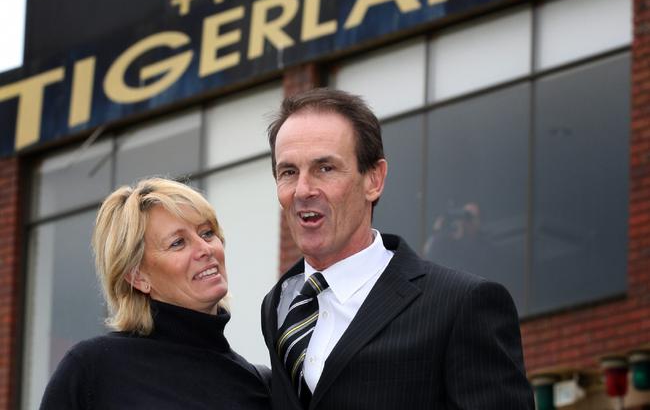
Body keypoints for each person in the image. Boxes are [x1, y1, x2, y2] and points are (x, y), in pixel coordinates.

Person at [261, 89, 534, 409]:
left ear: (374, 180)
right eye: (289, 172)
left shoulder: (462, 305)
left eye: (325, 168)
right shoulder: (278, 305)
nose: (303, 190)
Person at [40, 177, 271, 409]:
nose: (205, 249)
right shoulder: (92, 370)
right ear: (138, 277)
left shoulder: (260, 385)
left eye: (207, 233)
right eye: (178, 243)